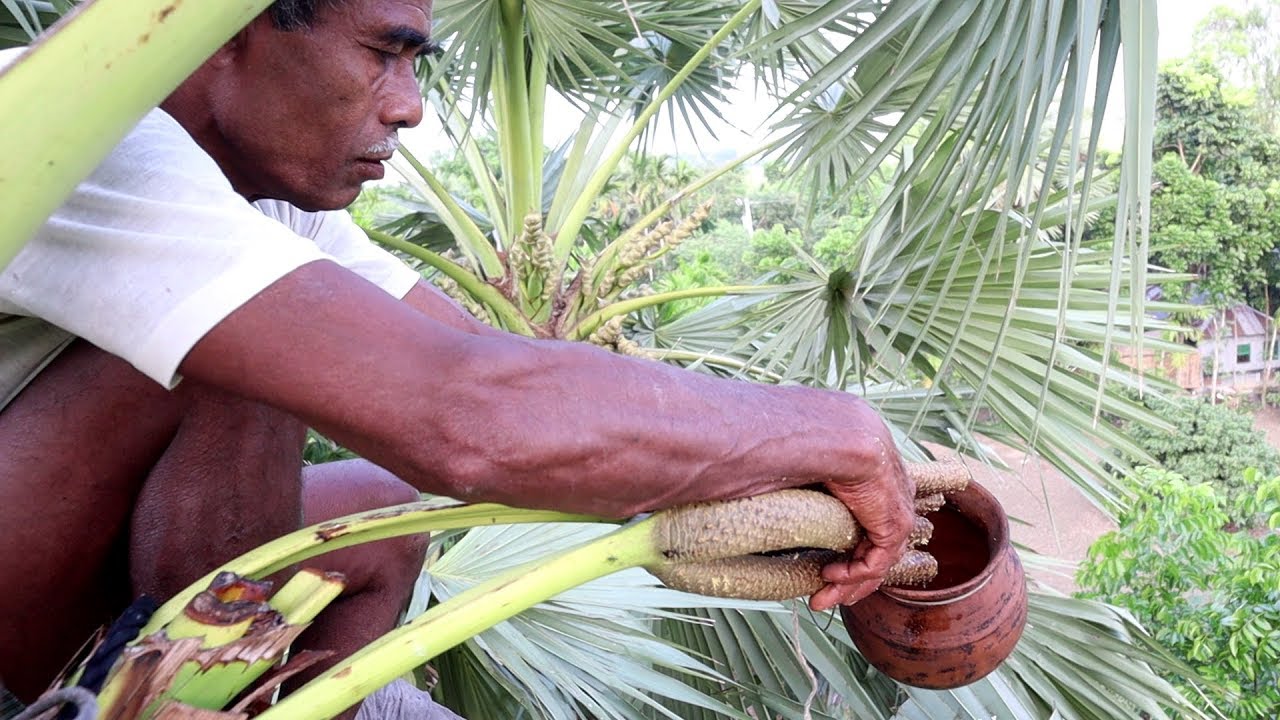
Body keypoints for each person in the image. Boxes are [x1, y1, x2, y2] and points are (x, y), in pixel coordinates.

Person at [0, 0, 916, 716]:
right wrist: (836, 428)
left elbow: (487, 357)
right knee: (274, 348)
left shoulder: (266, 199)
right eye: (381, 53)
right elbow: (464, 411)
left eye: (414, 62)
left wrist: (818, 472)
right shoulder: (78, 137)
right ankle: (150, 701)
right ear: (226, 35)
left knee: (384, 507)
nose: (408, 105)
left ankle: (294, 703)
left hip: (78, 535)